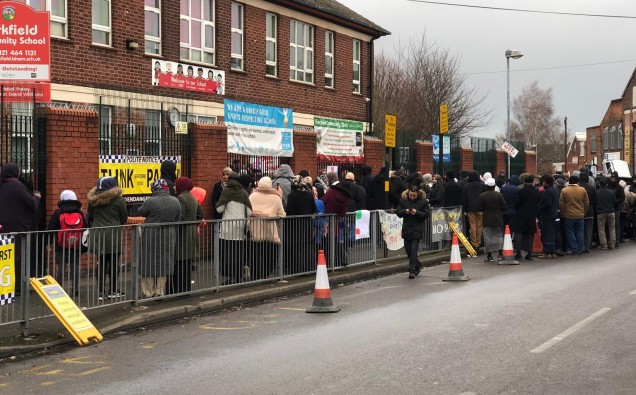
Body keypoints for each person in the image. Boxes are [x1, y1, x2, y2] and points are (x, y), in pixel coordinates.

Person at [138, 179, 182, 298]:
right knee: (164, 262)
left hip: (151, 235)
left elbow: (141, 212)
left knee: (148, 262)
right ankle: (160, 291)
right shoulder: (175, 201)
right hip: (168, 236)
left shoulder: (151, 201)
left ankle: (149, 291)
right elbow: (178, 218)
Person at [87, 176, 128, 300]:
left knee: (101, 263)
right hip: (113, 234)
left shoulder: (93, 201)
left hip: (98, 233)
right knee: (114, 263)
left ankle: (100, 293)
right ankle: (113, 290)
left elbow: (91, 217)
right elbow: (123, 217)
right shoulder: (119, 200)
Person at [47, 190, 86, 296]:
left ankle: (59, 289)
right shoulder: (79, 212)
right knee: (75, 266)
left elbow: (51, 228)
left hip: (61, 245)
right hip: (76, 244)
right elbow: (85, 227)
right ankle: (75, 289)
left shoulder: (58, 212)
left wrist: (48, 243)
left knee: (61, 266)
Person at [216, 172, 252, 284]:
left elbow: (219, 209)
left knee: (228, 253)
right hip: (240, 227)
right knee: (238, 253)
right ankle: (239, 275)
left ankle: (231, 277)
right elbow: (250, 212)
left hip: (227, 228)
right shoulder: (243, 193)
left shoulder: (226, 191)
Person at [169, 176, 203, 295]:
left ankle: (177, 289)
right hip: (192, 232)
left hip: (182, 234)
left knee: (180, 261)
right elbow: (200, 215)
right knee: (187, 261)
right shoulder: (193, 197)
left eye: (176, 184)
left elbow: (180, 216)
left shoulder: (181, 198)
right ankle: (185, 288)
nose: (174, 186)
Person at [248, 176, 286, 280]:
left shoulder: (252, 195)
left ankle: (255, 274)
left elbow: (248, 211)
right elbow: (282, 214)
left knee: (256, 252)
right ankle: (266, 273)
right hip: (270, 228)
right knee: (270, 253)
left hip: (255, 227)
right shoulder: (276, 197)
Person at [396, 185, 430, 279]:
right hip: (407, 228)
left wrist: (417, 212)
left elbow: (427, 214)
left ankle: (411, 270)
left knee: (414, 250)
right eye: (411, 195)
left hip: (417, 228)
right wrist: (405, 211)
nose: (412, 197)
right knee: (408, 251)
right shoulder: (403, 200)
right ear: (408, 193)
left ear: (418, 194)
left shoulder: (423, 201)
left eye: (414, 196)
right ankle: (417, 264)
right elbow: (398, 212)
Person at [321, 172, 351, 267]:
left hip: (327, 219)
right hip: (337, 221)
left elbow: (322, 202)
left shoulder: (330, 192)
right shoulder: (345, 197)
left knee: (326, 241)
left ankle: (329, 262)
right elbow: (343, 213)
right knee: (339, 241)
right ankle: (339, 261)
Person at [559, 175, 589, 255]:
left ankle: (574, 248)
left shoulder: (564, 190)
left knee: (570, 232)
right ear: (577, 182)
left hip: (568, 215)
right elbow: (586, 202)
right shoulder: (582, 190)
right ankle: (580, 247)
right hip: (580, 214)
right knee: (579, 232)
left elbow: (561, 203)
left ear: (569, 181)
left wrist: (563, 212)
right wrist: (584, 211)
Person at [512, 175, 540, 260]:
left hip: (521, 215)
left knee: (519, 233)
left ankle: (519, 253)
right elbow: (538, 203)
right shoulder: (536, 192)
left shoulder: (522, 191)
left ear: (524, 182)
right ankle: (529, 252)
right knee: (530, 234)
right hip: (532, 215)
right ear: (532, 182)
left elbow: (516, 203)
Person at [478, 178, 506, 262]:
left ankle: (489, 255)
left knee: (487, 237)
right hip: (498, 218)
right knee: (499, 236)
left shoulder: (482, 196)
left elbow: (479, 208)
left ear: (487, 186)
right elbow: (504, 207)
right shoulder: (499, 195)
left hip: (487, 219)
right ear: (494, 186)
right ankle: (500, 254)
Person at [462, 170, 485, 251]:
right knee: (479, 225)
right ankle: (478, 241)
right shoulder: (482, 185)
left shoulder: (466, 186)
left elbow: (464, 199)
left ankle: (474, 242)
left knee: (472, 225)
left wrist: (464, 209)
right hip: (480, 208)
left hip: (470, 208)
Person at [537, 176, 558, 259]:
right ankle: (552, 251)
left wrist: (539, 207)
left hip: (547, 215)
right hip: (553, 214)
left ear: (545, 182)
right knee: (552, 233)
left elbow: (547, 204)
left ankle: (547, 252)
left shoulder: (547, 192)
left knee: (546, 234)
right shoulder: (555, 190)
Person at [596, 177, 616, 250]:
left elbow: (595, 202)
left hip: (601, 212)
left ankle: (604, 244)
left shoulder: (597, 192)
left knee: (601, 229)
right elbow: (615, 202)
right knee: (612, 228)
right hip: (611, 211)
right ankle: (612, 244)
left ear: (600, 184)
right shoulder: (611, 192)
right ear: (607, 184)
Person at [578, 172, 596, 253]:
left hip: (579, 210)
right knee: (588, 230)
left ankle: (580, 246)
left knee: (579, 230)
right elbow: (595, 200)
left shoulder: (577, 187)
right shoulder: (591, 188)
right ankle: (587, 246)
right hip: (590, 210)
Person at [610, 172, 625, 246]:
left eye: (614, 178)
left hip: (616, 208)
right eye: (612, 178)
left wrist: (615, 202)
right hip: (609, 208)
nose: (613, 179)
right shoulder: (609, 186)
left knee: (616, 225)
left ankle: (617, 240)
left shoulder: (619, 187)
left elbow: (622, 198)